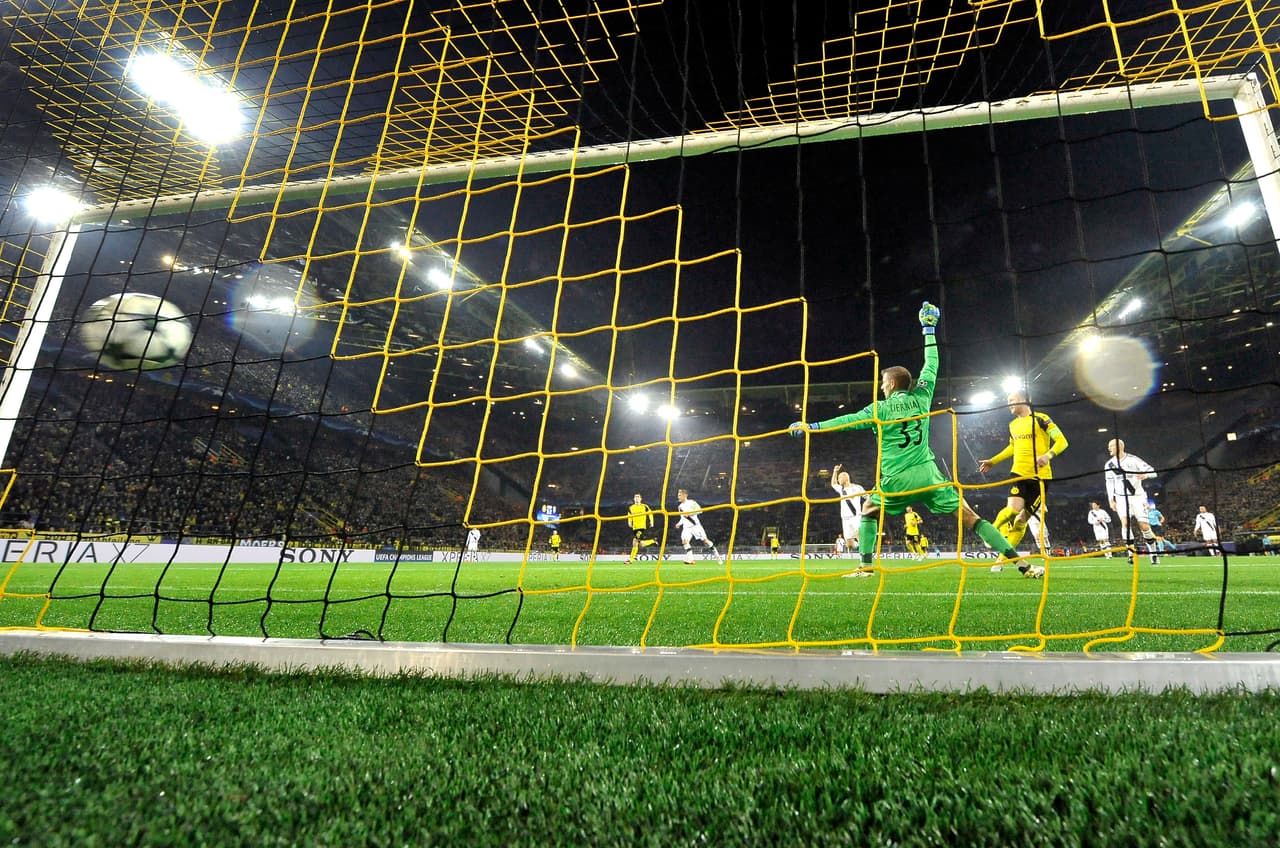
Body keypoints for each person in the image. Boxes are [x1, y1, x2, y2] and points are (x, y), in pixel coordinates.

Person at [789, 302, 1040, 577]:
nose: (882, 387)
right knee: (971, 518)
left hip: (896, 479)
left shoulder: (879, 409)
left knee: (869, 509)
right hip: (930, 476)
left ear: (893, 384)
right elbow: (931, 364)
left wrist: (811, 425)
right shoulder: (922, 397)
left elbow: (845, 421)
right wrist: (929, 329)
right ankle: (1022, 564)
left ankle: (866, 567)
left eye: (884, 382)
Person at [977, 389, 1068, 552]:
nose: (1009, 403)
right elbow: (1012, 447)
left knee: (1021, 521)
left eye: (1012, 399)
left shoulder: (1041, 419)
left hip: (1041, 476)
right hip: (1018, 473)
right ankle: (990, 531)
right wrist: (993, 461)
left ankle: (1002, 558)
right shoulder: (1012, 425)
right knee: (1012, 510)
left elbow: (1062, 441)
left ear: (1024, 399)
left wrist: (1048, 455)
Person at [1103, 438, 1160, 565]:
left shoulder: (1133, 460)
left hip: (1138, 497)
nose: (1108, 449)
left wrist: (1146, 475)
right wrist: (1111, 499)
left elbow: (1153, 472)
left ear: (1119, 447)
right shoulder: (1109, 465)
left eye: (1111, 446)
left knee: (1144, 526)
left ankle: (1153, 554)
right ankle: (1131, 555)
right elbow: (1109, 483)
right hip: (1121, 498)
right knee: (1125, 524)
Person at [675, 489, 722, 564]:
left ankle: (717, 556)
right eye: (678, 495)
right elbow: (683, 517)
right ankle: (691, 560)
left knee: (705, 541)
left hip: (695, 526)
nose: (678, 497)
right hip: (686, 528)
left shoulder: (692, 503)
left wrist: (690, 514)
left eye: (680, 495)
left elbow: (700, 510)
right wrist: (679, 524)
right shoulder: (680, 507)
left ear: (685, 495)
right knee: (685, 541)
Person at [830, 464, 866, 550]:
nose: (838, 480)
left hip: (856, 516)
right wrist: (835, 471)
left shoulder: (857, 488)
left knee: (859, 534)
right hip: (845, 518)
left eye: (839, 478)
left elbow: (867, 497)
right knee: (849, 544)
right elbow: (833, 483)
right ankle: (859, 547)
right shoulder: (841, 489)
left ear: (846, 478)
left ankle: (865, 554)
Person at [625, 493, 656, 563]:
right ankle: (653, 541)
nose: (637, 498)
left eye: (638, 497)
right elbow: (629, 515)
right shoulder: (631, 507)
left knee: (635, 542)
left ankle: (630, 560)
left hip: (642, 527)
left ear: (641, 499)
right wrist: (629, 522)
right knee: (641, 544)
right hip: (635, 528)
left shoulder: (644, 506)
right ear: (633, 499)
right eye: (635, 497)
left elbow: (650, 513)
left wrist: (652, 521)